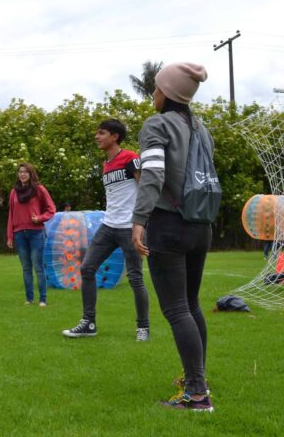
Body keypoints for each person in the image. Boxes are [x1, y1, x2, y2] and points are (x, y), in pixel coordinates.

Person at [131, 62, 214, 412]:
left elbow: (152, 174)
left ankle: (196, 395)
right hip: (201, 226)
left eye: (156, 87)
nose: (153, 93)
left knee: (177, 308)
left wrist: (139, 220)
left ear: (168, 91)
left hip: (169, 225)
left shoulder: (157, 124)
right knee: (192, 305)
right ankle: (196, 377)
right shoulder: (201, 127)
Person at [63, 119, 150, 341]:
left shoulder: (131, 158)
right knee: (87, 268)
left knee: (135, 279)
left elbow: (146, 190)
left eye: (101, 133)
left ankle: (143, 328)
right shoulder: (106, 164)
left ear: (114, 137)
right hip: (108, 226)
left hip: (130, 228)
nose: (96, 136)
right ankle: (88, 323)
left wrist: (141, 225)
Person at [6, 163, 56, 306]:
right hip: (19, 234)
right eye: (20, 172)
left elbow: (51, 209)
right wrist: (9, 235)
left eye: (25, 172)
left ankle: (43, 299)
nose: (22, 174)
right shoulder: (13, 192)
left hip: (36, 233)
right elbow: (11, 214)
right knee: (26, 267)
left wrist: (40, 218)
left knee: (38, 267)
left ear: (31, 174)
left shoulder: (39, 190)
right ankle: (29, 299)